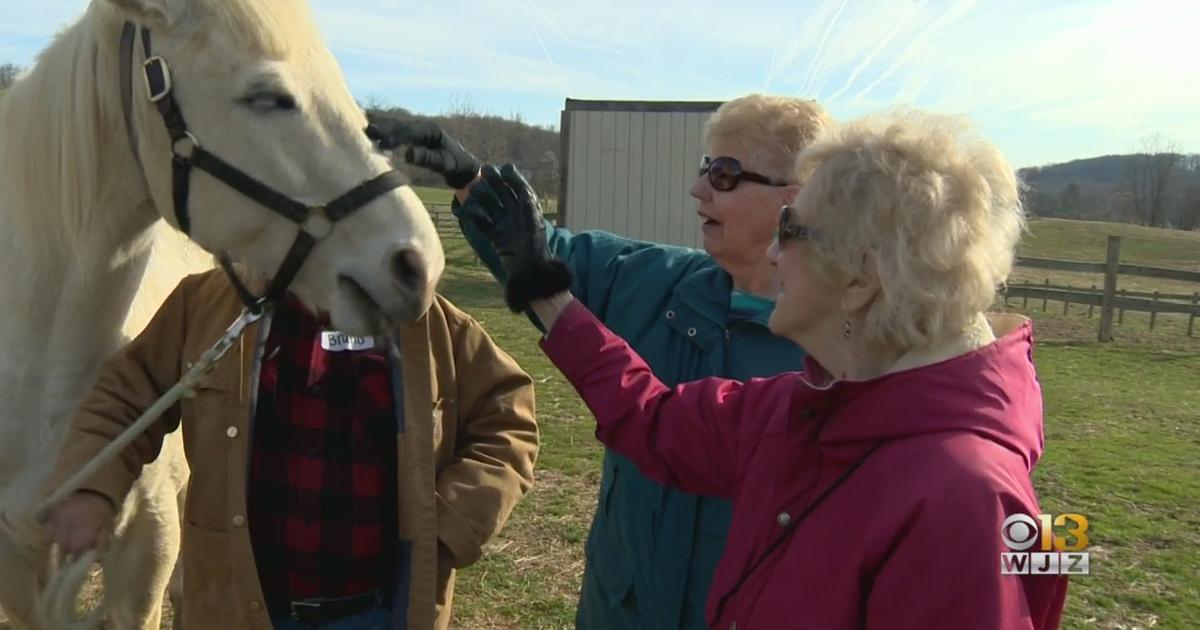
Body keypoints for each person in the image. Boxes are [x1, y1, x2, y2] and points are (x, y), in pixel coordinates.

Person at [469, 109, 1070, 628]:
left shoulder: (965, 500)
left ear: (861, 277)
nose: (775, 252)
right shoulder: (807, 408)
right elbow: (653, 420)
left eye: (792, 229)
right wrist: (544, 292)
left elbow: (1051, 551)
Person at [369, 94, 833, 629]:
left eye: (724, 175)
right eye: (705, 168)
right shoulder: (653, 279)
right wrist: (467, 175)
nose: (697, 188)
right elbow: (536, 253)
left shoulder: (835, 352)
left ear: (790, 201)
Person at [41, 270, 539, 629]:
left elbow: (507, 414)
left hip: (377, 613)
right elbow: (125, 394)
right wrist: (91, 485)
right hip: (231, 611)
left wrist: (449, 526)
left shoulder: (421, 319)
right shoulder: (207, 306)